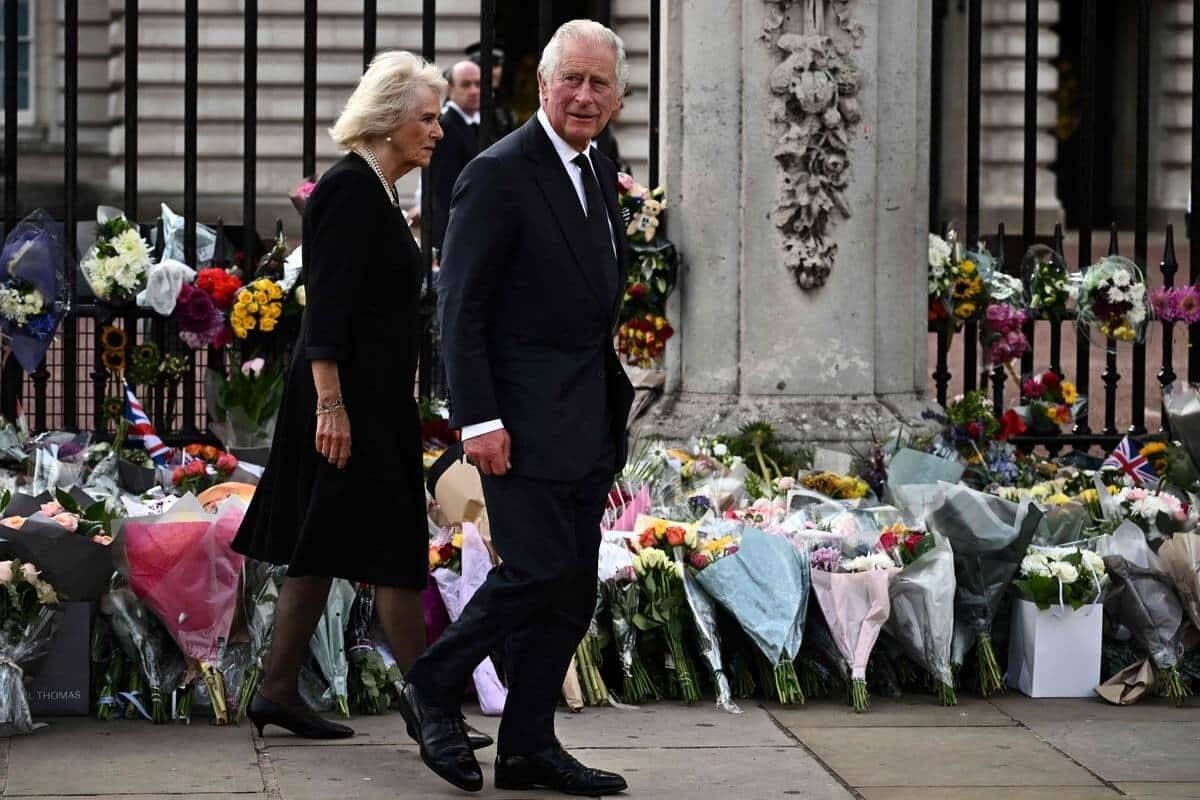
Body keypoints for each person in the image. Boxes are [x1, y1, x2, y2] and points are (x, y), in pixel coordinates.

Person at [399, 20, 634, 797]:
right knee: (533, 571)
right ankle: (432, 684)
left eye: (600, 83)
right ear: (541, 85)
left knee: (571, 590)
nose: (585, 95)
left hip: (587, 419)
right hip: (519, 424)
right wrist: (479, 421)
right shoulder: (498, 172)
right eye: (572, 79)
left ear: (618, 97)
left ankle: (529, 745)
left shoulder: (599, 168)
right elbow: (460, 308)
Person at [231, 50, 491, 751]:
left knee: (324, 546)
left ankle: (278, 688)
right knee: (394, 550)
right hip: (346, 405)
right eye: (427, 119)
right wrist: (331, 406)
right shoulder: (349, 190)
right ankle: (431, 708)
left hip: (370, 400)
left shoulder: (378, 190)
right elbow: (328, 308)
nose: (438, 131)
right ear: (387, 120)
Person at [430, 60, 482, 252]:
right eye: (466, 84)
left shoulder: (483, 123)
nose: (474, 91)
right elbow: (444, 189)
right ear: (450, 89)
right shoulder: (445, 126)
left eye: (478, 84)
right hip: (456, 230)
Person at [465, 40, 518, 139]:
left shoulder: (503, 106)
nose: (492, 72)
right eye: (484, 65)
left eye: (496, 65)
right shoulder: (463, 100)